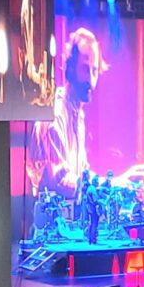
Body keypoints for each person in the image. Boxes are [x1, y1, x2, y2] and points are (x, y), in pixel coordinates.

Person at [28, 27, 104, 198]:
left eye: (94, 71)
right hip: (50, 222)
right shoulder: (55, 113)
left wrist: (116, 183)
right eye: (85, 69)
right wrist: (110, 187)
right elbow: (62, 181)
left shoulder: (77, 114)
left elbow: (81, 175)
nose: (91, 81)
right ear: (69, 68)